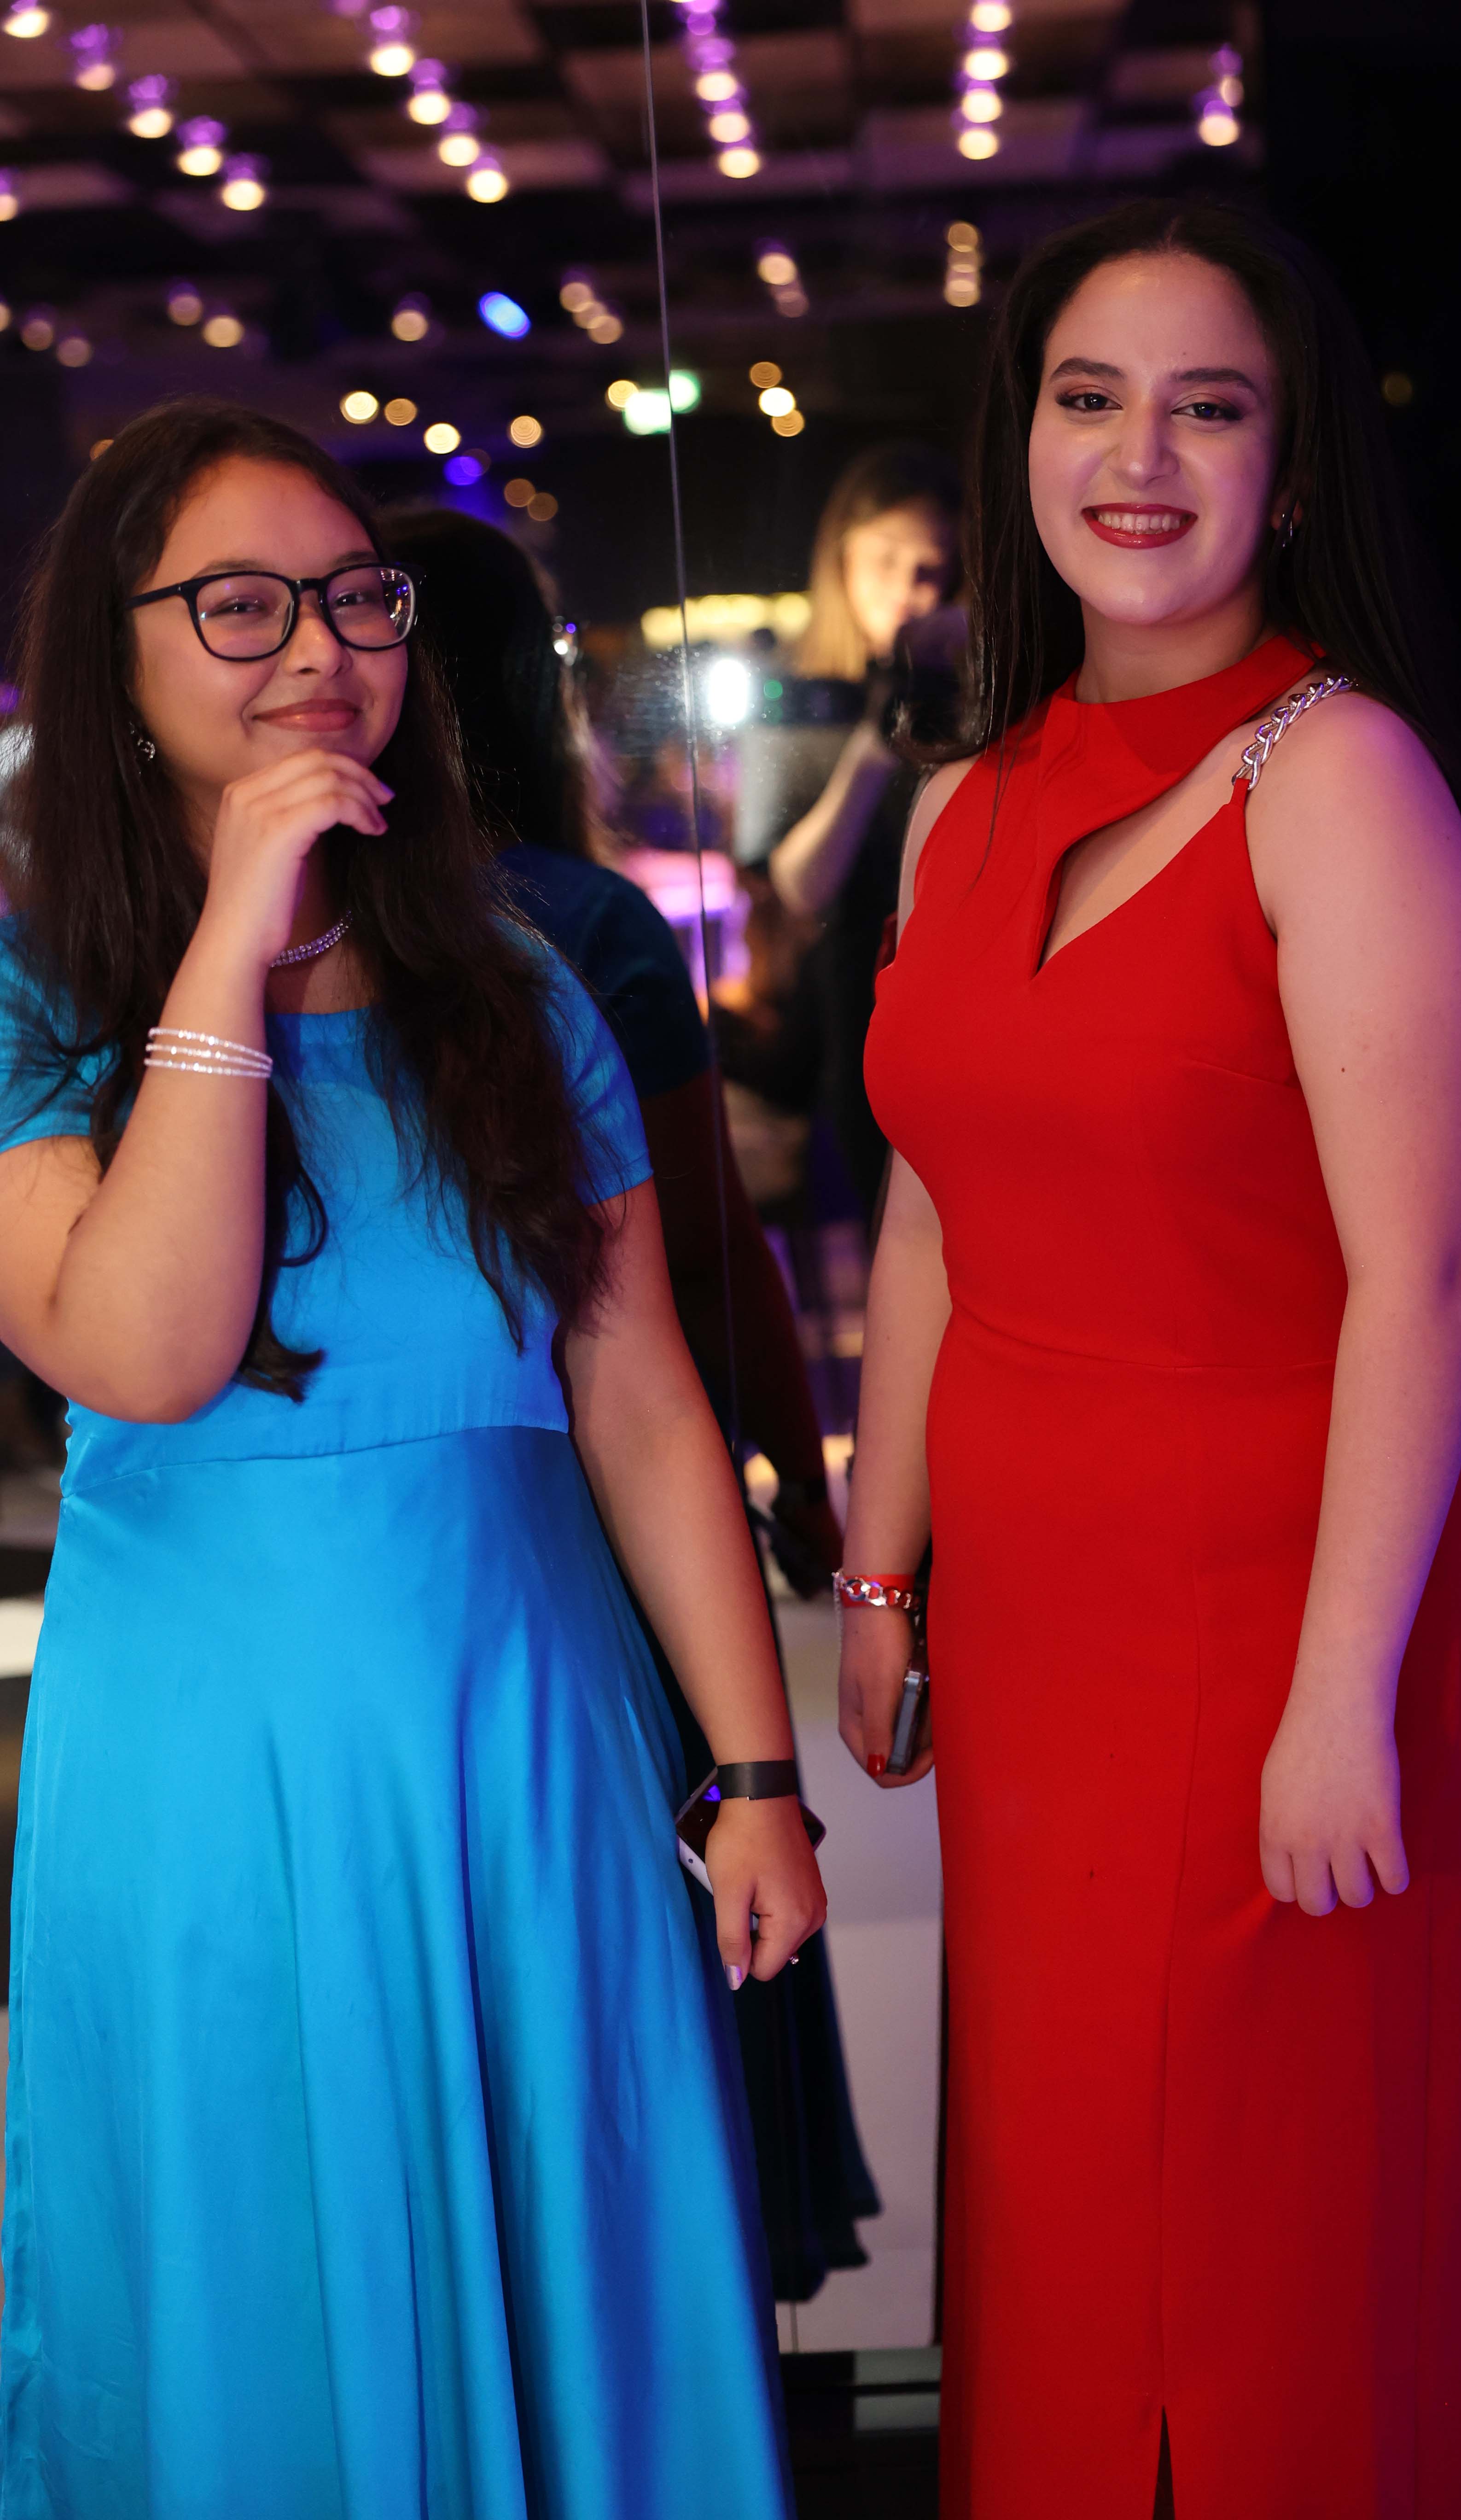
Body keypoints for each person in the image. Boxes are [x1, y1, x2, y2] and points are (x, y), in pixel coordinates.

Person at [0, 397, 821, 2518]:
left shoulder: (512, 987)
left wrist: (753, 1773)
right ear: (115, 659)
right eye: (241, 606)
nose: (317, 648)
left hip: (525, 1749)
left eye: (354, 600)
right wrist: (233, 932)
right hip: (214, 1781)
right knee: (270, 2308)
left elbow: (641, 1393)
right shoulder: (34, 998)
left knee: (576, 2292)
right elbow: (144, 1347)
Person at [840, 200, 1461, 2520]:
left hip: (1283, 1600)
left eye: (1207, 409)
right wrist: (881, 1569)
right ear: (1021, 438)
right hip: (1039, 1615)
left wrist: (1340, 1688)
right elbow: (927, 1212)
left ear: (1290, 471)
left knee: (1260, 2228)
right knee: (1055, 2197)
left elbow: (1422, 1278)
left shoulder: (1339, 778)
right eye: (1089, 399)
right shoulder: (960, 805)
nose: (1139, 458)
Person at [378, 505, 879, 2301]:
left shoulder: (348, 928)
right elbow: (707, 1262)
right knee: (649, 1975)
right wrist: (804, 1486)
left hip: (440, 1534)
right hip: (590, 1527)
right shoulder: (578, 920)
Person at [742, 445, 964, 1219]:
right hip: (852, 1018)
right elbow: (801, 886)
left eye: (931, 568)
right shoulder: (801, 695)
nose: (907, 590)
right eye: (885, 560)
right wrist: (874, 749)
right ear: (841, 560)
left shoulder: (973, 689)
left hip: (961, 1010)